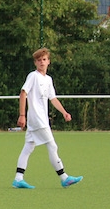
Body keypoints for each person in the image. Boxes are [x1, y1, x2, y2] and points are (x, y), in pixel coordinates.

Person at [11, 47, 83, 189]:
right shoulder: (33, 76)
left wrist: (64, 112)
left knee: (28, 147)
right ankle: (64, 177)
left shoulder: (48, 79)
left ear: (48, 61)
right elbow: (23, 93)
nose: (42, 62)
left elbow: (53, 98)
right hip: (38, 120)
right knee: (52, 145)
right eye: (39, 60)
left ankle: (18, 179)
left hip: (40, 120)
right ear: (35, 63)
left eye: (44, 59)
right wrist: (22, 115)